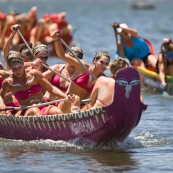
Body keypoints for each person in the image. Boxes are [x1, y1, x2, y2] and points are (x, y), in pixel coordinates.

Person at [0, 51, 79, 116]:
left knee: (57, 112)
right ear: (11, 68)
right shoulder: (8, 82)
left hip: (43, 106)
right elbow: (1, 95)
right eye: (14, 69)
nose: (18, 71)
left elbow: (51, 89)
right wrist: (1, 103)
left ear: (23, 65)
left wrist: (66, 96)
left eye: (19, 67)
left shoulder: (35, 74)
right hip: (27, 111)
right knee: (35, 110)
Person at [51, 30, 110, 100]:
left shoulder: (103, 79)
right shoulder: (83, 67)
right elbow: (62, 55)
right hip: (67, 103)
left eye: (106, 64)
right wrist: (56, 40)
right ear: (95, 60)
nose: (104, 66)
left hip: (82, 107)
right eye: (101, 62)